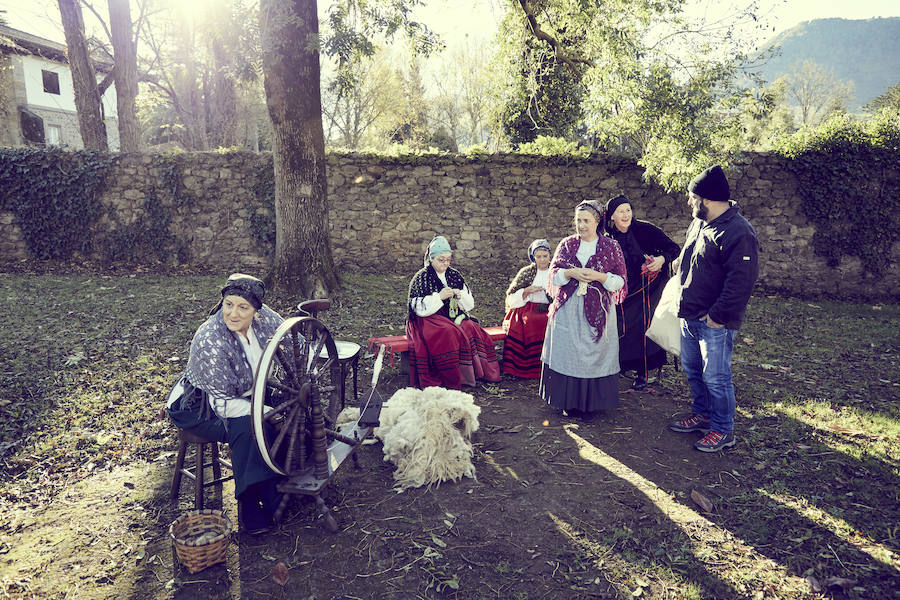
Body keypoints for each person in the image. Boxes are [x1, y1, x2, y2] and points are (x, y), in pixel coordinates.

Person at [166, 273, 288, 533]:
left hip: (246, 396)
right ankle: (251, 508)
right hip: (199, 407)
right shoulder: (211, 339)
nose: (233, 314)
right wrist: (266, 411)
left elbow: (293, 341)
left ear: (256, 311)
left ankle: (279, 489)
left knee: (285, 416)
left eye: (243, 307)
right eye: (228, 304)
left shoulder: (266, 322)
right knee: (248, 429)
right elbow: (222, 406)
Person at [669, 165, 759, 452]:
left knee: (716, 378)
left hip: (714, 322)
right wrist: (679, 263)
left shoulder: (739, 231)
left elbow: (741, 282)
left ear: (707, 199)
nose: (689, 202)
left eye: (692, 197)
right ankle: (703, 414)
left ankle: (723, 429)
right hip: (690, 314)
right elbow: (690, 251)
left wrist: (717, 317)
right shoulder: (700, 222)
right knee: (693, 370)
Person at [540, 201, 627, 420]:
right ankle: (568, 402)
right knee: (569, 352)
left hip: (599, 310)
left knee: (593, 354)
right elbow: (553, 276)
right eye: (578, 220)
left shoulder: (610, 247)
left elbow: (620, 281)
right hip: (568, 309)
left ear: (598, 222)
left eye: (586, 221)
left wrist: (600, 277)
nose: (581, 225)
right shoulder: (567, 245)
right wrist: (570, 273)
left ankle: (591, 405)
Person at [604, 195, 680, 390]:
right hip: (623, 289)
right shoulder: (607, 237)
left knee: (643, 326)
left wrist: (661, 260)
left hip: (650, 287)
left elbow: (673, 248)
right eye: (621, 211)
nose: (626, 214)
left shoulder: (645, 229)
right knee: (622, 326)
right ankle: (624, 365)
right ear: (612, 216)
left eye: (628, 210)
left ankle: (645, 371)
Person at [406, 235, 501, 389]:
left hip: (452, 315)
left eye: (448, 259)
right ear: (431, 259)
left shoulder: (454, 275)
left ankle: (474, 374)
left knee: (471, 327)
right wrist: (439, 297)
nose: (445, 263)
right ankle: (451, 378)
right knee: (448, 331)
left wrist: (460, 295)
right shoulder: (421, 277)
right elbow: (417, 309)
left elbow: (470, 304)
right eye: (441, 259)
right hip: (428, 319)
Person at [502, 239, 552, 378]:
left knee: (549, 321)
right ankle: (528, 368)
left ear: (550, 256)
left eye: (545, 256)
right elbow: (511, 297)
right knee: (530, 320)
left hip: (550, 308)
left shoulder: (555, 272)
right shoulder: (527, 272)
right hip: (527, 307)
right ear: (533, 258)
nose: (542, 260)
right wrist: (527, 291)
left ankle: (548, 366)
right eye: (538, 257)